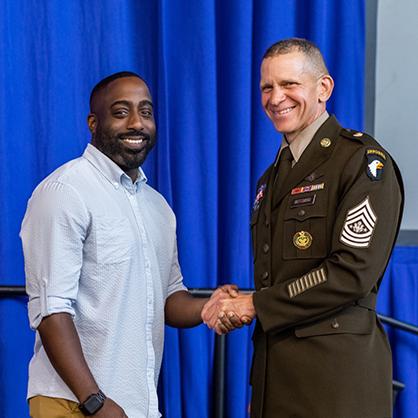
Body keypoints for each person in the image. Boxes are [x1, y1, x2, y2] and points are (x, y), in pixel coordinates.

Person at [202, 38, 404, 418]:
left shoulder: (362, 162)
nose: (276, 98)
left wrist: (253, 304)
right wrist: (239, 300)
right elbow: (288, 278)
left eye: (289, 84)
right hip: (277, 379)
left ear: (323, 88)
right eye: (267, 87)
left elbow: (351, 271)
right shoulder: (270, 179)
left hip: (336, 384)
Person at [21, 71, 237, 418]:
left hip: (136, 405)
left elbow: (170, 298)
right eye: (121, 112)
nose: (137, 123)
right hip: (75, 404)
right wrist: (95, 401)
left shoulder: (157, 207)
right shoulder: (64, 192)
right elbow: (51, 312)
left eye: (146, 112)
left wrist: (206, 308)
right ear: (94, 122)